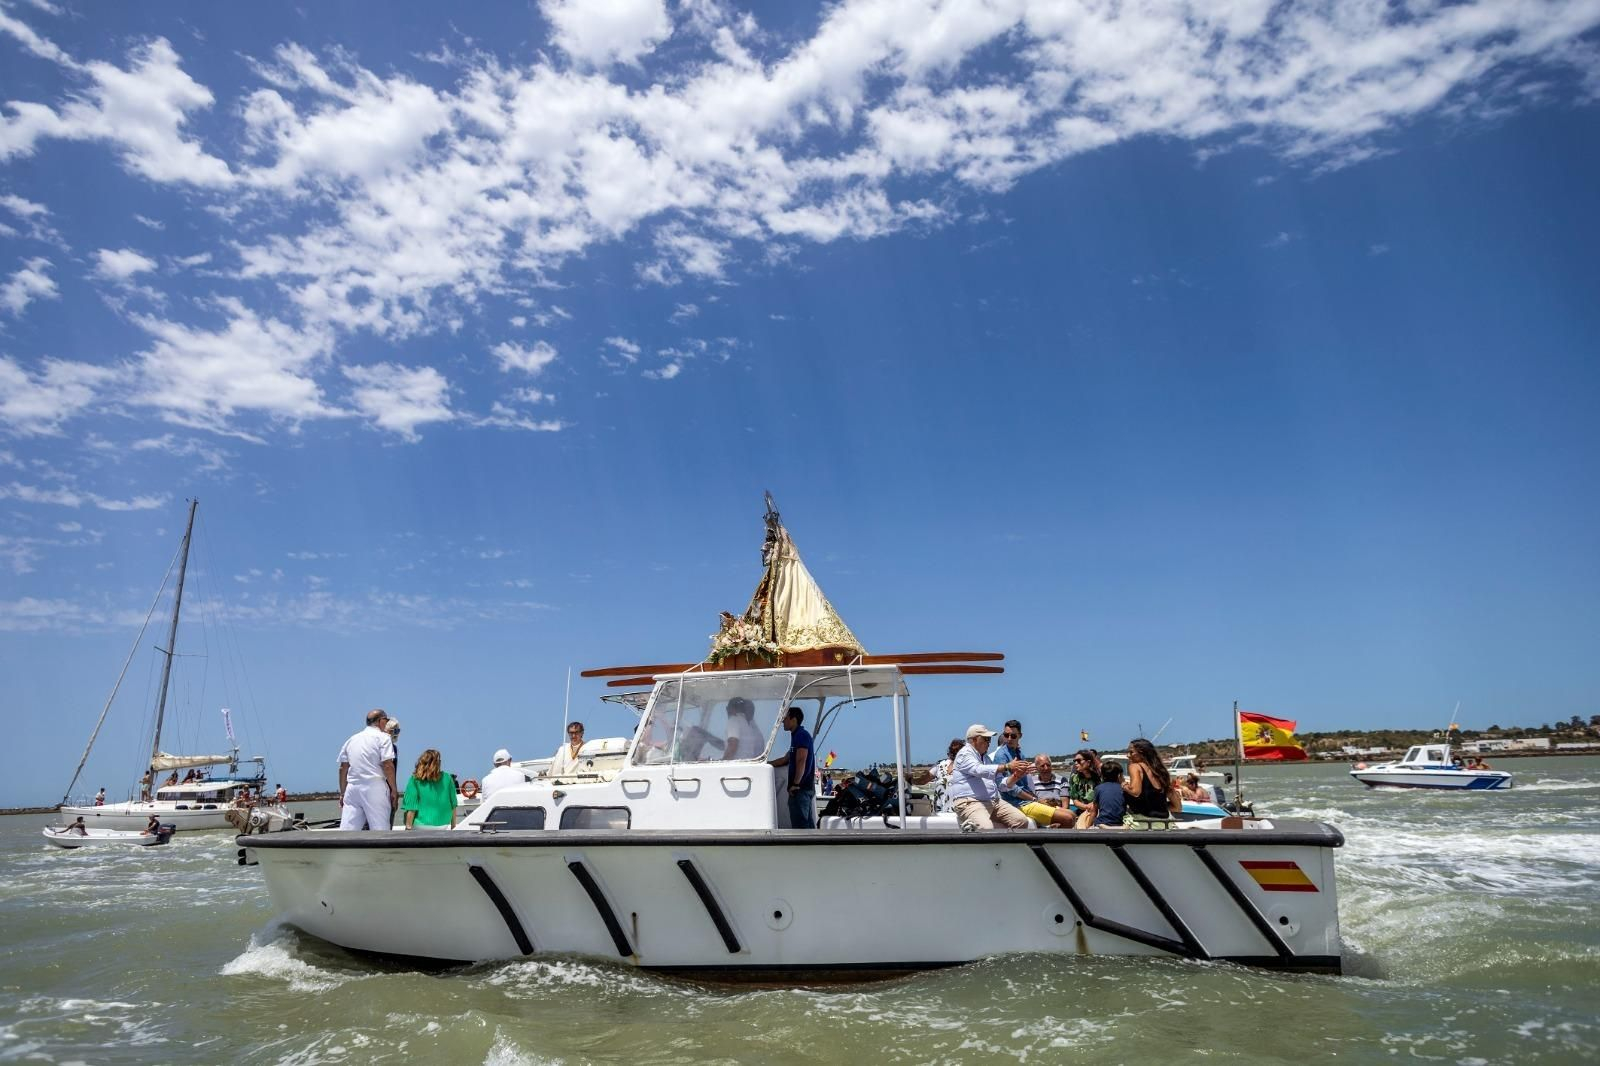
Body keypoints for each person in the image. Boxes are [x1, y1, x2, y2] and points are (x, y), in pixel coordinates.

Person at [946, 724, 1032, 830]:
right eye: (986, 739)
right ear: (974, 740)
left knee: (1021, 821)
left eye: (990, 739)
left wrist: (1016, 776)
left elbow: (1000, 784)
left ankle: (1008, 845)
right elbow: (978, 770)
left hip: (992, 801)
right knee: (986, 828)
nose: (989, 742)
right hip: (970, 802)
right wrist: (1007, 766)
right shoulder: (965, 754)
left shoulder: (986, 758)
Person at [336, 708, 398, 830]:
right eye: (386, 720)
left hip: (352, 789)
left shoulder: (351, 739)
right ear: (380, 721)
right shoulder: (383, 738)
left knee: (347, 832)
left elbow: (343, 768)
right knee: (380, 831)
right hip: (374, 788)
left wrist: (343, 793)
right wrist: (394, 790)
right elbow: (387, 765)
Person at [769, 706, 817, 828]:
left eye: (785, 718)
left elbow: (801, 760)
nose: (783, 721)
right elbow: (785, 760)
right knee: (807, 824)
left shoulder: (801, 735)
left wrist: (795, 785)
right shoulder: (797, 736)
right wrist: (765, 764)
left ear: (793, 719)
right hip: (802, 789)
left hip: (800, 789)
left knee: (801, 825)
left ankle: (804, 847)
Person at [401, 748, 458, 829]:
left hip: (420, 826)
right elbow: (453, 804)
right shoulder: (447, 778)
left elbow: (411, 807)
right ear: (438, 763)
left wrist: (408, 828)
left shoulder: (415, 779)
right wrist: (453, 827)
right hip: (443, 825)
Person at [1124, 738, 1180, 819]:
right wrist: (1157, 808)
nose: (1128, 755)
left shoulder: (1135, 767)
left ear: (1142, 753)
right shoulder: (1161, 772)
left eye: (1131, 752)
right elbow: (1177, 807)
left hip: (1142, 823)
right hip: (1163, 824)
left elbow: (1135, 791)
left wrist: (1124, 786)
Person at [1018, 754, 1078, 828]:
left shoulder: (1062, 780)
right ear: (1037, 768)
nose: (1046, 768)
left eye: (1048, 765)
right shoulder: (1031, 781)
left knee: (1072, 816)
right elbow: (1030, 802)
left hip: (1057, 813)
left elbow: (1065, 806)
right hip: (1039, 813)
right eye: (1042, 766)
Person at [993, 720, 1029, 808]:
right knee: (1067, 816)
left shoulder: (1020, 754)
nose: (1009, 739)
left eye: (1013, 736)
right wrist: (1033, 798)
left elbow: (1024, 784)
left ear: (1020, 736)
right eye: (1006, 735)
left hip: (1025, 801)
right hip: (1014, 803)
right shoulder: (1001, 755)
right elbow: (1009, 788)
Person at [1065, 749, 1100, 828]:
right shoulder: (1074, 778)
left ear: (1088, 762)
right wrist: (1086, 807)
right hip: (1082, 810)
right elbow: (1075, 800)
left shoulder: (1100, 777)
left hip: (1098, 811)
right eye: (1074, 761)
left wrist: (1093, 806)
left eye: (1078, 760)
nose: (1076, 763)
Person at [1086, 762, 1127, 827]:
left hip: (1102, 823)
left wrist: (1087, 827)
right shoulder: (1125, 789)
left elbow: (1094, 811)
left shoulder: (1098, 788)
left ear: (1102, 775)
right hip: (1120, 824)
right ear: (1119, 776)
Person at [930, 738, 962, 812]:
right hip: (956, 808)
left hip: (941, 807)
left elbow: (924, 779)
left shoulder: (940, 764)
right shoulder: (966, 765)